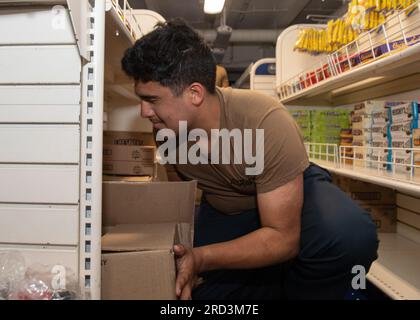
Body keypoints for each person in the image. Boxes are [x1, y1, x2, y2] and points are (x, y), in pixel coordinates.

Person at [121, 18, 379, 300]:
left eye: (152, 100)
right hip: (227, 205)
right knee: (197, 292)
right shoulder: (166, 130)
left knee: (348, 233)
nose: (144, 111)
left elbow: (283, 237)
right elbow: (182, 193)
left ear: (194, 94)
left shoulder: (264, 120)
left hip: (289, 192)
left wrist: (204, 257)